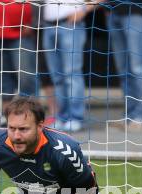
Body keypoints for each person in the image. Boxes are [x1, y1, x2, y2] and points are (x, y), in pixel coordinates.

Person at [42, 0, 101, 133]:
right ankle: (62, 117)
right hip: (48, 25)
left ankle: (75, 117)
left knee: (71, 74)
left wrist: (84, 10)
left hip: (70, 24)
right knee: (56, 76)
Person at [0, 0, 37, 129]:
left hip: (21, 33)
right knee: (0, 75)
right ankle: (6, 114)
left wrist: (34, 22)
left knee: (25, 76)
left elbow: (39, 3)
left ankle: (29, 114)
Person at [107, 1, 142, 131]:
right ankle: (130, 115)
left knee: (138, 67)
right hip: (113, 10)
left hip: (136, 10)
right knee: (123, 69)